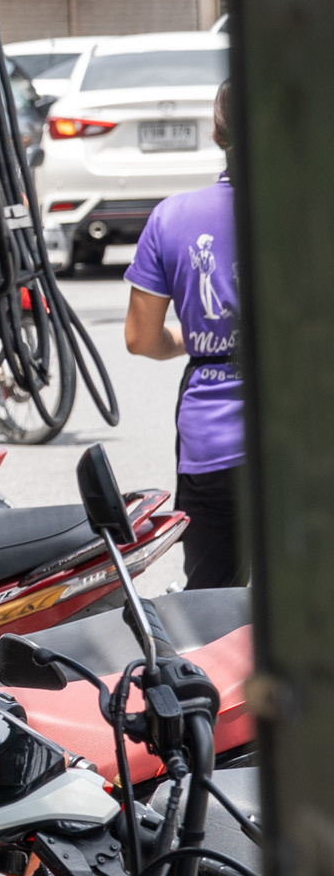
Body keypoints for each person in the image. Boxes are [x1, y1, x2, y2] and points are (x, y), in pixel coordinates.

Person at [125, 83, 245, 588]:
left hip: (213, 443)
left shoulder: (170, 217)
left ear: (218, 133)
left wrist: (188, 341)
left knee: (214, 611)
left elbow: (140, 339)